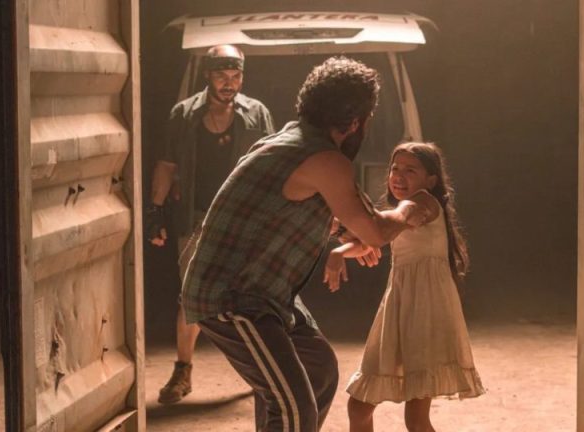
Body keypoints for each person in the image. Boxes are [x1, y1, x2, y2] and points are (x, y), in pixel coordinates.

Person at [181, 56, 431, 431]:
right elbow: (377, 232)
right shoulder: (325, 159)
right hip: (233, 297)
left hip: (265, 292)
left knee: (318, 371)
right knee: (293, 408)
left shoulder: (286, 140)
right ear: (355, 121)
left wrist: (345, 232)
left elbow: (290, 210)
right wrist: (410, 208)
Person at [324, 142, 486, 432]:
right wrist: (340, 251)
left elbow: (390, 223)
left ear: (431, 180)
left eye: (410, 170)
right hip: (398, 306)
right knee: (359, 407)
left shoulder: (421, 203)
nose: (398, 176)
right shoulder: (400, 211)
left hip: (426, 310)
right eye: (395, 168)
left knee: (416, 420)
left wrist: (347, 215)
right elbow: (371, 239)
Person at [146, 44, 275, 404]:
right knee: (192, 297)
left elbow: (271, 166)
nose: (229, 83)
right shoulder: (184, 114)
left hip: (243, 220)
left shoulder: (257, 113)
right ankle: (183, 371)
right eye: (221, 75)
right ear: (207, 74)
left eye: (235, 76)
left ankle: (260, 373)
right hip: (197, 217)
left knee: (249, 298)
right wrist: (156, 212)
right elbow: (167, 164)